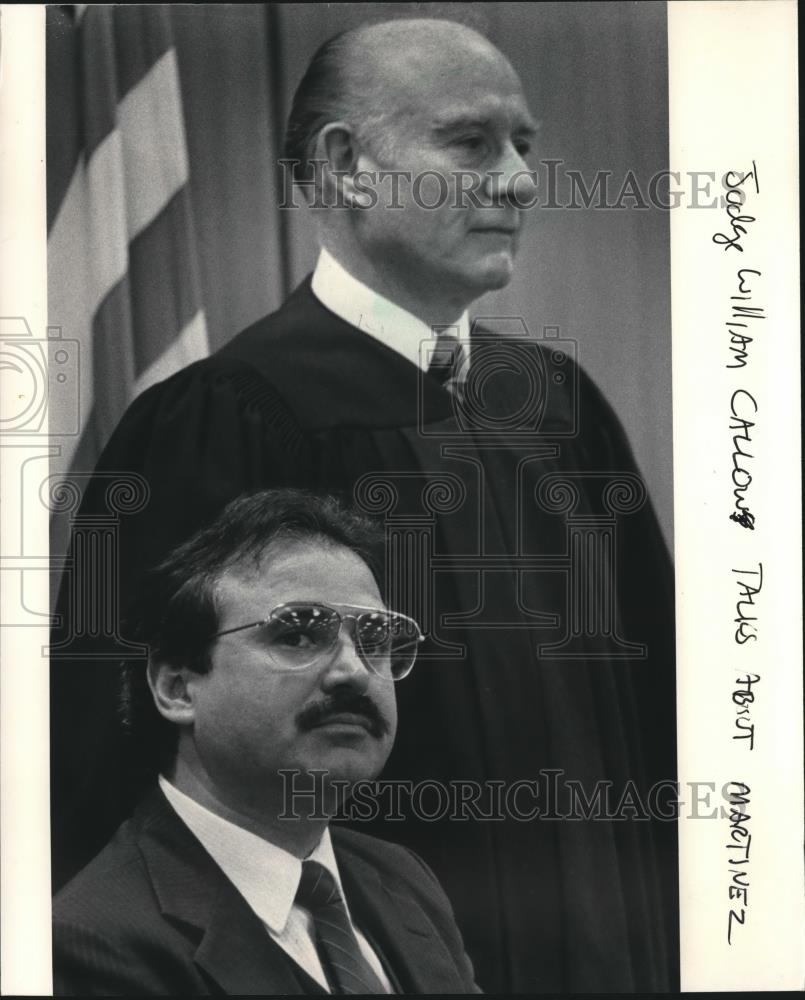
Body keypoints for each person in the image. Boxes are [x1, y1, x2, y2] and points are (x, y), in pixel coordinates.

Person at [51, 17, 678, 993]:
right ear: (346, 165)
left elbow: (656, 728)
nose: (516, 179)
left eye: (524, 146)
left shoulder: (560, 411)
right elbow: (122, 767)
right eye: (470, 143)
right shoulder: (227, 417)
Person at [52, 489, 479, 995]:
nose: (353, 673)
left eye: (375, 640)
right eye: (297, 635)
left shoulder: (401, 878)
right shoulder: (93, 943)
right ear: (177, 689)